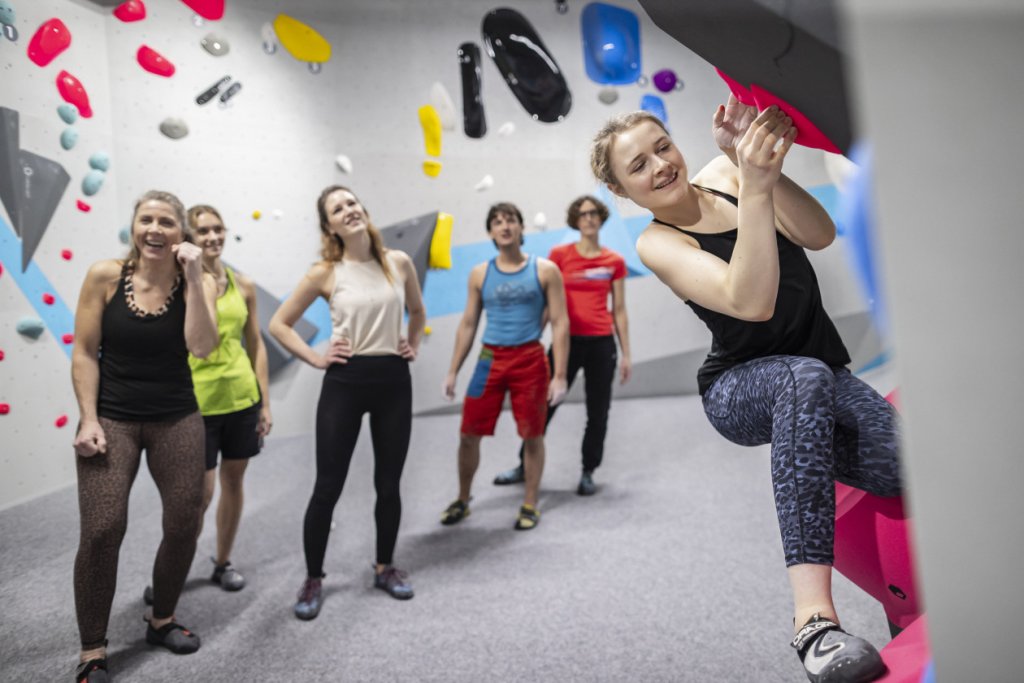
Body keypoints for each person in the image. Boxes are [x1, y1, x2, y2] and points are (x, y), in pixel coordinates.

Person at [591, 98, 899, 683]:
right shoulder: (657, 242)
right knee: (800, 376)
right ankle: (814, 622)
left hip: (821, 375)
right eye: (638, 166)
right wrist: (756, 186)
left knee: (907, 466)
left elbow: (820, 233)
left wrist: (754, 168)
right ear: (624, 192)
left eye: (663, 147)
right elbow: (749, 302)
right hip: (740, 387)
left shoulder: (729, 174)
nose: (659, 165)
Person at [70, 190, 218, 682]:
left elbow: (200, 347)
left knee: (183, 522)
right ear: (134, 226)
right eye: (145, 220)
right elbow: (85, 352)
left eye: (166, 223)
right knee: (102, 529)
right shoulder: (104, 276)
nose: (154, 229)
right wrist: (88, 417)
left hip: (176, 416)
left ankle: (162, 619)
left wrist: (195, 276)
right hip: (112, 416)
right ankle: (93, 648)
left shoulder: (204, 281)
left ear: (183, 235)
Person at [269, 185, 425, 621]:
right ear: (330, 226)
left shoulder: (398, 262)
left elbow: (418, 311)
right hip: (346, 381)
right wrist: (317, 358)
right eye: (338, 208)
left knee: (389, 484)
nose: (349, 210)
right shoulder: (325, 272)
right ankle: (314, 577)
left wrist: (411, 344)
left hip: (393, 378)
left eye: (352, 203)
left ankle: (384, 567)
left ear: (363, 209)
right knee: (327, 487)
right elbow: (279, 324)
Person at [440, 202, 569, 530]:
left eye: (510, 220)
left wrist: (560, 375)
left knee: (532, 434)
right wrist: (453, 369)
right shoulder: (480, 274)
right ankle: (463, 498)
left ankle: (529, 503)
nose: (505, 226)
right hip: (489, 359)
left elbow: (560, 322)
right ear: (490, 233)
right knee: (468, 433)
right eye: (497, 222)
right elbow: (468, 323)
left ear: (521, 228)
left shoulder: (545, 270)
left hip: (529, 359)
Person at [493, 195, 632, 495]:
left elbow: (619, 310)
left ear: (601, 217)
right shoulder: (559, 255)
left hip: (601, 344)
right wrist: (530, 337)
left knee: (598, 412)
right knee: (542, 407)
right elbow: (548, 302)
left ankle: (588, 471)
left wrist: (627, 355)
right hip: (564, 343)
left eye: (594, 213)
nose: (589, 218)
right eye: (582, 214)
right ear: (575, 220)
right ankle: (523, 465)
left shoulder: (614, 262)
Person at [187, 204, 272, 590]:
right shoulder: (182, 285)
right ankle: (172, 573)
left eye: (218, 229)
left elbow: (255, 344)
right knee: (198, 497)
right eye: (203, 231)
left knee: (234, 482)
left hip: (241, 399)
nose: (212, 237)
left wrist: (264, 402)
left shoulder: (245, 284)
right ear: (190, 239)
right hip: (196, 404)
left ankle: (222, 562)